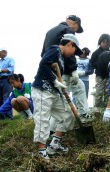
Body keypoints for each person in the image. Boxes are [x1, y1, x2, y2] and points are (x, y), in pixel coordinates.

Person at [32, 34, 82, 162]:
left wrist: (59, 84)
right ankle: (41, 151)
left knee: (69, 114)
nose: (73, 54)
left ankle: (54, 144)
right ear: (70, 44)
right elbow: (43, 64)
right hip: (43, 90)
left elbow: (54, 70)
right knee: (43, 119)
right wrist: (54, 80)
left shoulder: (62, 58)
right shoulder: (54, 49)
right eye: (74, 50)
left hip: (55, 93)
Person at [41, 15, 90, 121]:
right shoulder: (68, 30)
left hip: (52, 70)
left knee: (58, 98)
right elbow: (70, 51)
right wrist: (74, 70)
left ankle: (53, 125)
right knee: (79, 87)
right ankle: (83, 114)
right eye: (76, 29)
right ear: (75, 23)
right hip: (63, 70)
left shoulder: (50, 32)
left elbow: (43, 53)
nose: (75, 32)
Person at [90, 34, 110, 113]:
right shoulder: (95, 53)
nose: (105, 44)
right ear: (100, 42)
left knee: (108, 93)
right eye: (103, 42)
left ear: (109, 43)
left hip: (109, 76)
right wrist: (99, 64)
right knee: (99, 92)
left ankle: (108, 109)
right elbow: (91, 63)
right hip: (99, 75)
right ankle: (97, 109)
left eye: (107, 43)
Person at [0, 47, 15, 120]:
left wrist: (1, 70)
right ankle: (0, 118)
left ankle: (9, 117)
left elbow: (11, 69)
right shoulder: (0, 61)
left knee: (6, 98)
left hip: (7, 81)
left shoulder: (10, 59)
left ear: (5, 52)